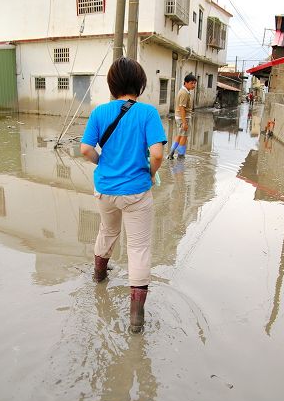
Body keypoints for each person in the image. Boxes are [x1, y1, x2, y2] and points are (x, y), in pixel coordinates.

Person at [80, 57, 167, 333]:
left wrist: (102, 164)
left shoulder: (99, 112)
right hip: (137, 192)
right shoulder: (148, 113)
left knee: (107, 231)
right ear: (140, 84)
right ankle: (136, 319)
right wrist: (149, 173)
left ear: (112, 84)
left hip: (105, 190)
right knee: (138, 248)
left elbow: (85, 149)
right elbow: (157, 153)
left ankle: (99, 276)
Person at [167, 74, 197, 159]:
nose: (193, 85)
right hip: (183, 118)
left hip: (180, 117)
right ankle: (180, 157)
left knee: (180, 135)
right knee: (184, 136)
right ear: (186, 83)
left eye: (195, 83)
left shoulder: (184, 91)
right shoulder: (184, 93)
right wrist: (184, 122)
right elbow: (181, 107)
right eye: (192, 83)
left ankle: (171, 154)